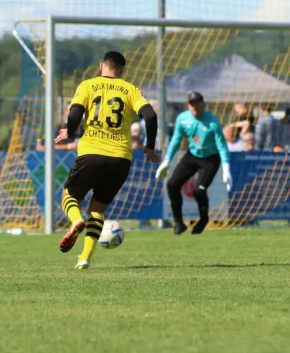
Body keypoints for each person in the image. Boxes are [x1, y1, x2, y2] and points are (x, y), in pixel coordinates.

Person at [54, 51, 159, 269]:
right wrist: (150, 147)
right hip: (120, 158)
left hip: (92, 151)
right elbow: (150, 116)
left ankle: (75, 221)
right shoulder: (130, 89)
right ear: (121, 69)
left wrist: (69, 131)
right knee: (97, 209)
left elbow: (75, 113)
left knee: (69, 195)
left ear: (101, 65)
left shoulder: (87, 85)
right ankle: (84, 258)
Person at [155, 91, 232, 235]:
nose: (194, 107)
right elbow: (176, 141)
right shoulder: (183, 119)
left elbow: (222, 146)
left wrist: (226, 167)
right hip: (193, 155)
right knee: (172, 184)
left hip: (210, 158)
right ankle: (179, 223)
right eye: (192, 104)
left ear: (204, 104)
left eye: (197, 103)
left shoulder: (213, 122)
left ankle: (203, 220)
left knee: (199, 190)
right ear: (188, 105)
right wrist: (166, 160)